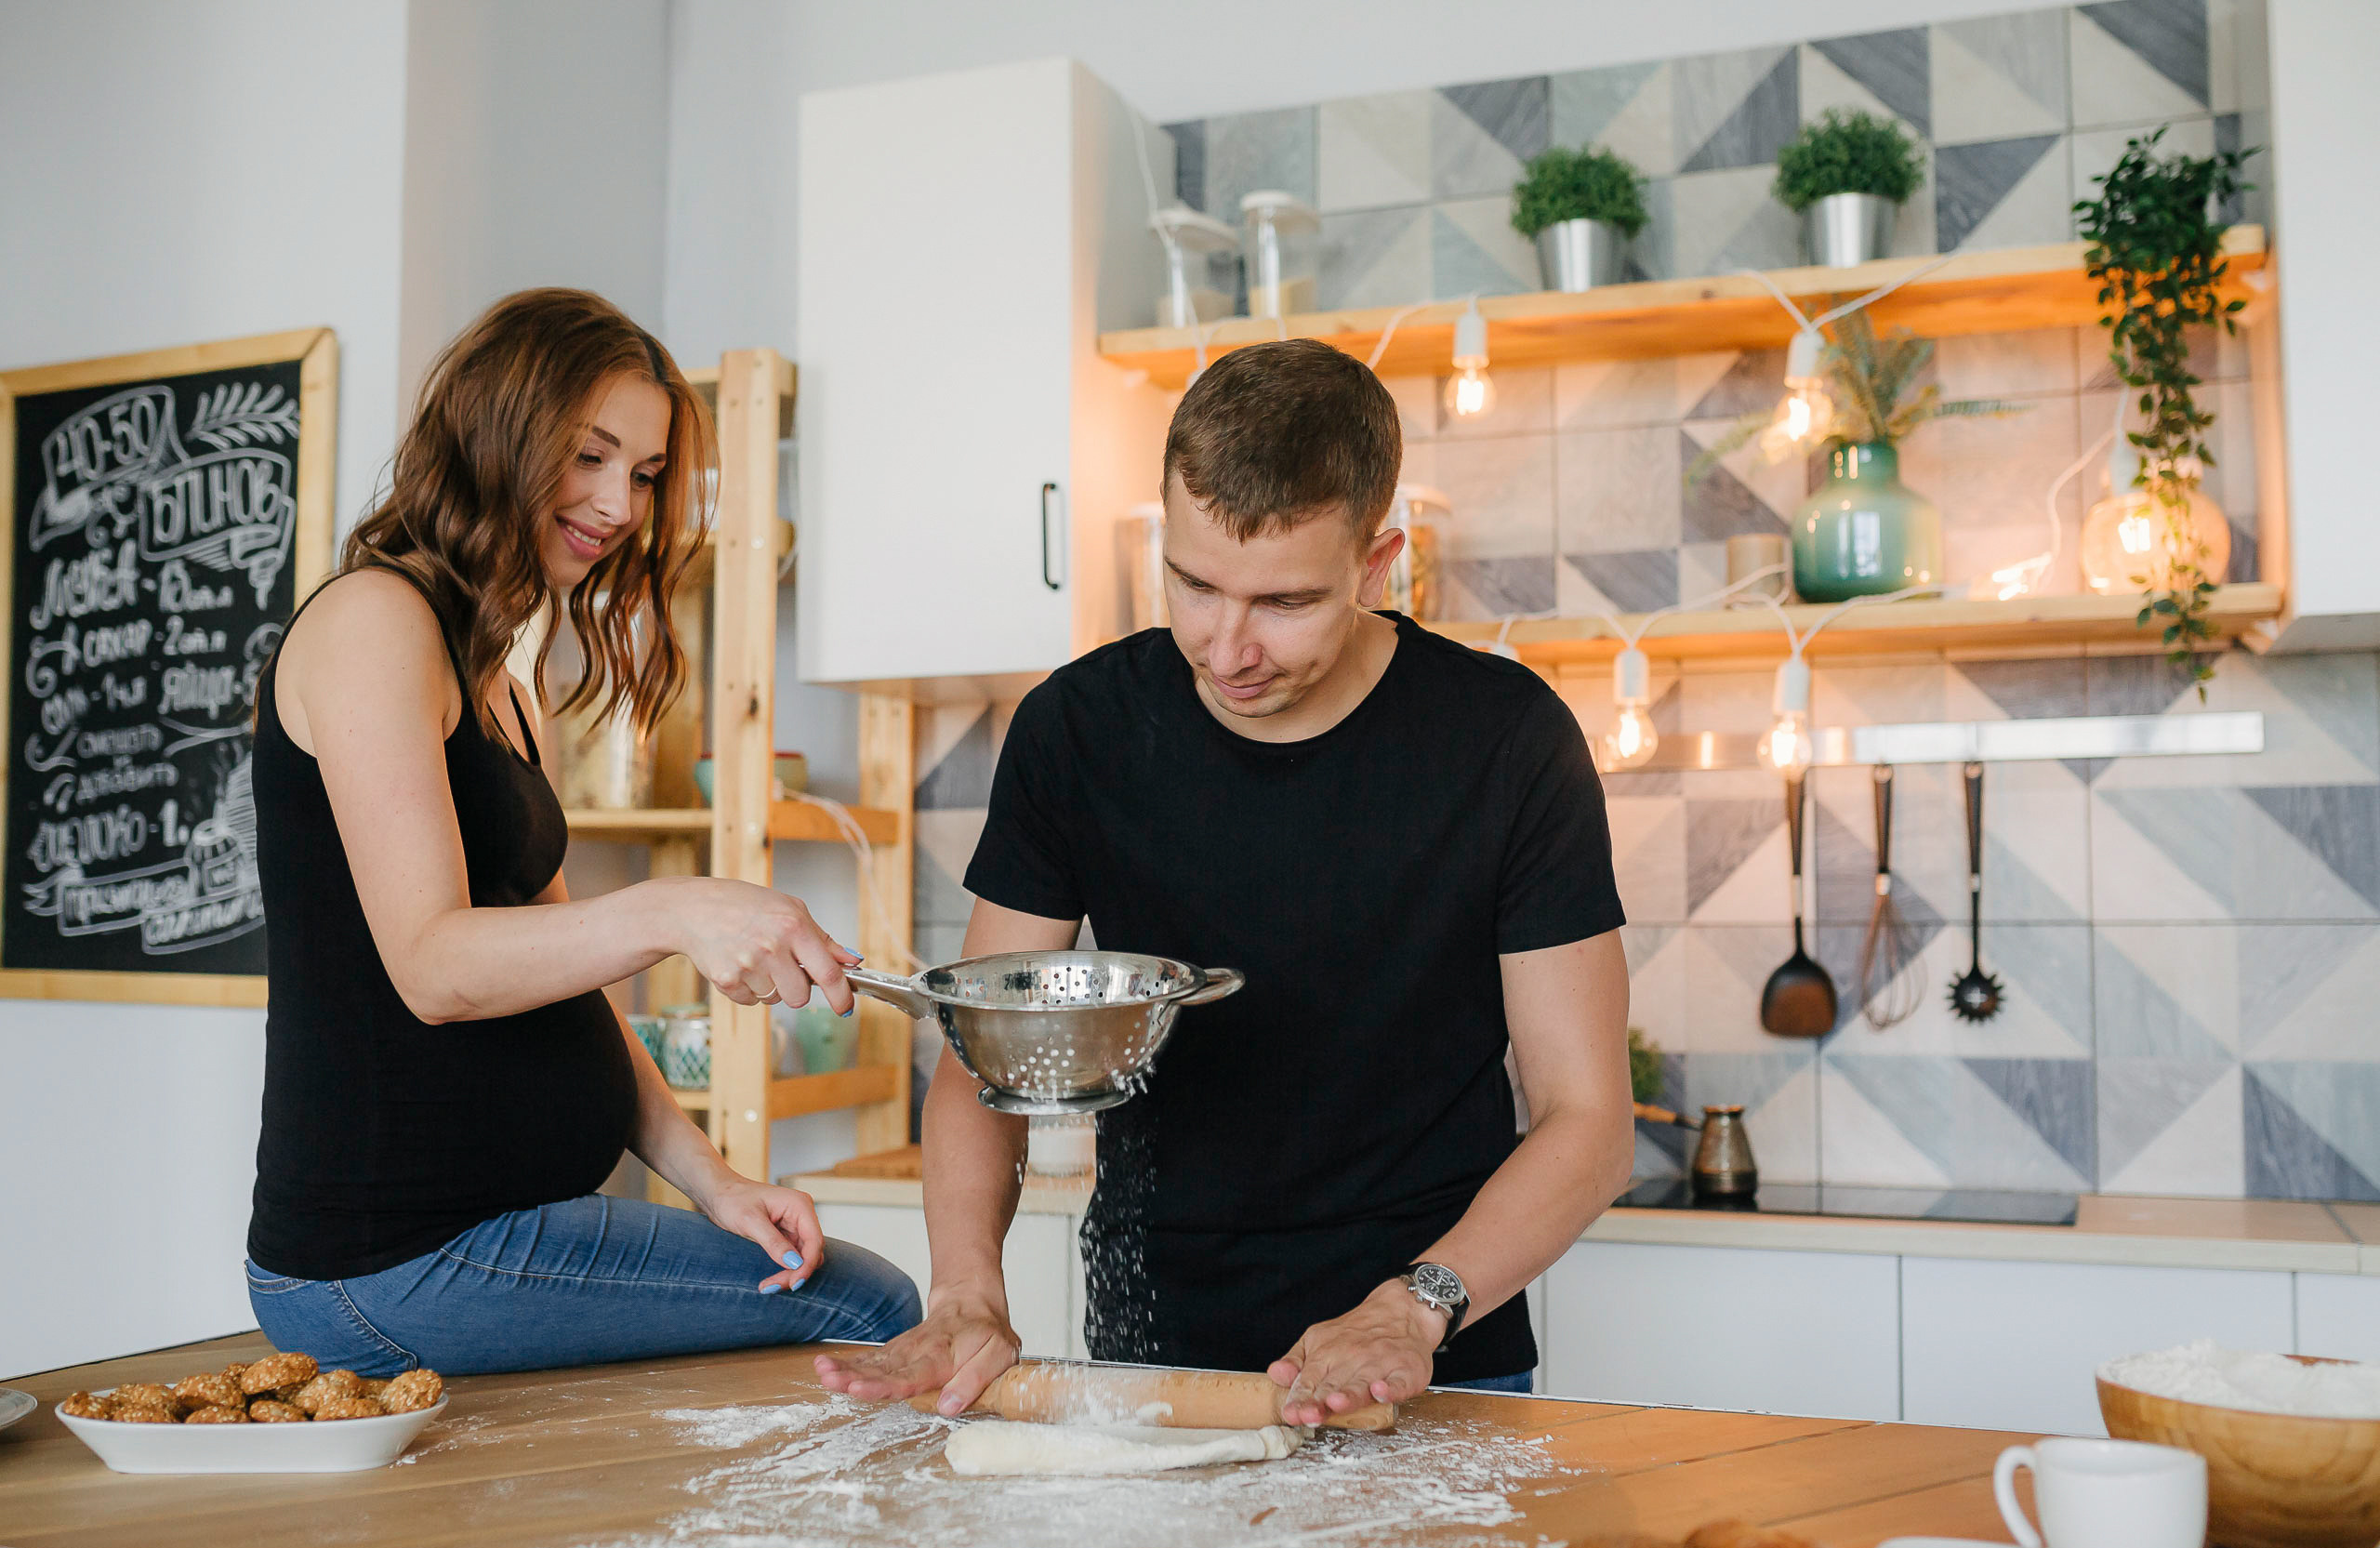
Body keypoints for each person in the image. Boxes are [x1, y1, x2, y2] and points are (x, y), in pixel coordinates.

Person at [820, 338, 1633, 1423]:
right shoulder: (1078, 730)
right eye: (1193, 584)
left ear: (1376, 561)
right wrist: (967, 1286)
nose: (1226, 647)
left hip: (1431, 1357)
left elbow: (1588, 1120)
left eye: (1284, 603)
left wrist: (1415, 1306)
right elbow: (982, 1056)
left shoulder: (1506, 740)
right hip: (1153, 1352)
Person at [244, 288, 919, 1374]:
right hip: (383, 1261)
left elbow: (565, 986)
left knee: (845, 1292)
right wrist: (672, 907)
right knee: (869, 1304)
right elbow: (432, 967)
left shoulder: (504, 675)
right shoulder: (374, 623)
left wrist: (718, 1182)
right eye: (589, 456)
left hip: (481, 1233)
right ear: (494, 432)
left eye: (645, 475)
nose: (618, 505)